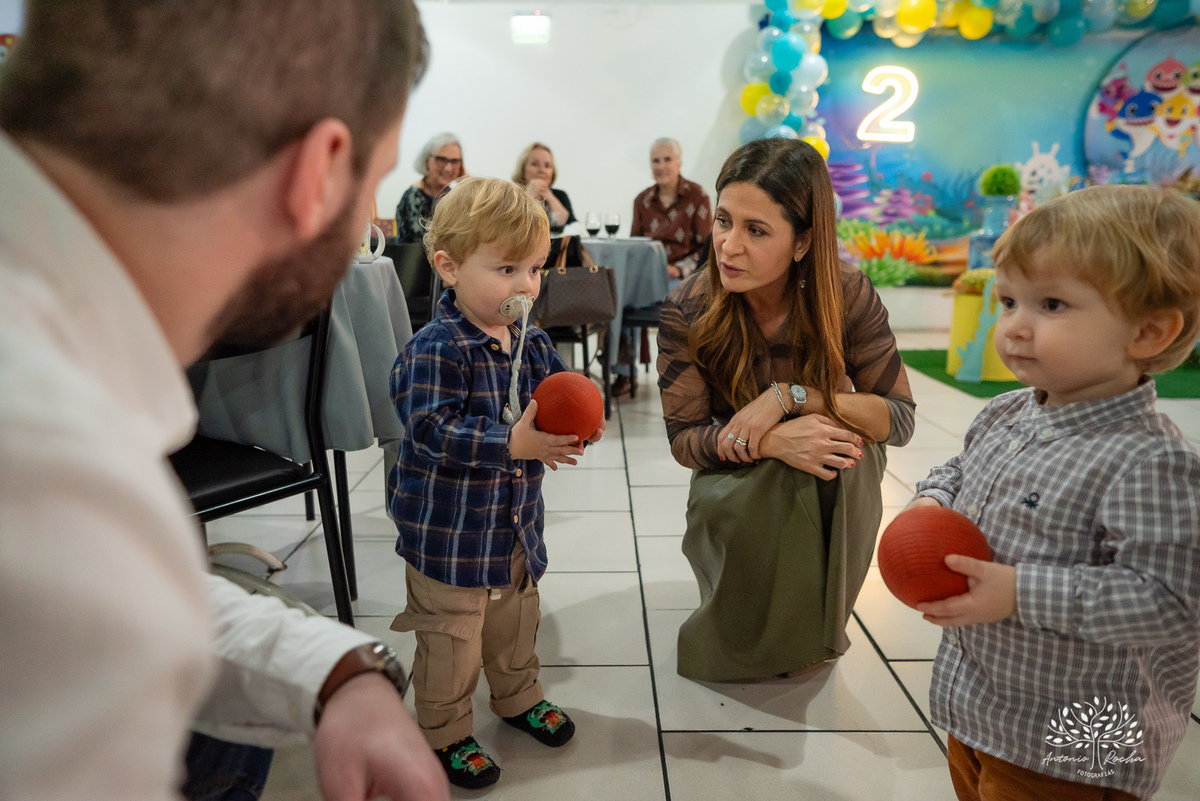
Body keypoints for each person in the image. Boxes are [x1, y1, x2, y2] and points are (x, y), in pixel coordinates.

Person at [0, 3, 449, 800]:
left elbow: (106, 597)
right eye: (374, 180)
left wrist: (334, 668)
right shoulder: (50, 454)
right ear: (319, 172)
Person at [908, 185, 1200, 801]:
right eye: (1009, 301)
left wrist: (1019, 592)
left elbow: (1171, 602)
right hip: (984, 703)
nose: (1014, 326)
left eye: (1051, 304)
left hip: (1077, 742)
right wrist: (932, 500)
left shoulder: (1151, 462)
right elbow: (961, 469)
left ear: (1148, 332)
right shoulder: (1006, 412)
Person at [656, 137, 916, 682]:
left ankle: (814, 628)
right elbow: (685, 440)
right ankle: (748, 636)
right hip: (735, 468)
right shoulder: (690, 306)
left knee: (846, 454)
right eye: (723, 221)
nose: (728, 246)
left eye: (756, 230)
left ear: (803, 242)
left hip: (828, 459)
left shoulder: (845, 294)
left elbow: (899, 418)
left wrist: (791, 398)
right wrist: (770, 441)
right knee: (783, 474)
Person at [386, 177, 605, 790]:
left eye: (534, 269)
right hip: (449, 536)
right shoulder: (435, 350)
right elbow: (430, 429)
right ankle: (445, 729)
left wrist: (579, 419)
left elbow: (558, 396)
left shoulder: (532, 342)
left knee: (514, 623)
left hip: (512, 527)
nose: (525, 286)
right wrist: (511, 443)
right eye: (506, 269)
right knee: (452, 640)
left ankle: (517, 695)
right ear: (449, 267)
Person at [616, 138, 714, 397]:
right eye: (656, 161)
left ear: (679, 163)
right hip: (648, 277)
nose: (661, 166)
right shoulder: (642, 200)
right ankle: (624, 373)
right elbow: (635, 247)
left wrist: (678, 269)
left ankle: (686, 375)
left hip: (683, 277)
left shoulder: (698, 196)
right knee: (619, 300)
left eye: (667, 159)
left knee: (678, 301)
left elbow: (708, 249)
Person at [395, 132, 465, 244]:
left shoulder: (455, 196)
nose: (448, 168)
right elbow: (423, 245)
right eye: (441, 160)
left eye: (455, 161)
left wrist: (467, 185)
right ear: (426, 161)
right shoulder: (413, 197)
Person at [512, 141, 575, 234]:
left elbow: (573, 227)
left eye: (547, 166)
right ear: (523, 168)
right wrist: (530, 196)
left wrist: (549, 197)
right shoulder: (512, 195)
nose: (542, 170)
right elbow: (515, 227)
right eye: (535, 164)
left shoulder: (560, 195)